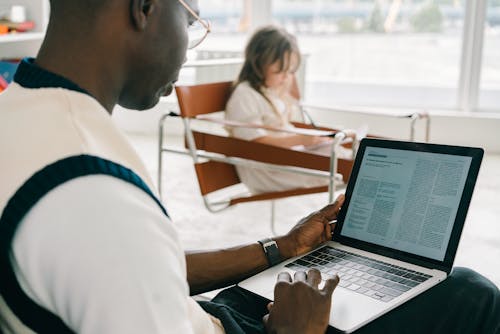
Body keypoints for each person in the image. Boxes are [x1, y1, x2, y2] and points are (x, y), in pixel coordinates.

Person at [0, 1, 498, 334]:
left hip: (212, 314)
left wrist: (280, 249)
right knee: (471, 296)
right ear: (144, 7)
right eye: (191, 17)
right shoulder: (92, 188)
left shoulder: (21, 115)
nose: (191, 39)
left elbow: (149, 268)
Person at [225, 25, 350, 194]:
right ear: (258, 63)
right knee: (342, 164)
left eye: (290, 71)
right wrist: (299, 139)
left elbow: (286, 121)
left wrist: (308, 140)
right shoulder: (245, 95)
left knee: (340, 153)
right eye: (280, 71)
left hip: (284, 159)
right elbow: (255, 143)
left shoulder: (269, 91)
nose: (286, 77)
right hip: (266, 171)